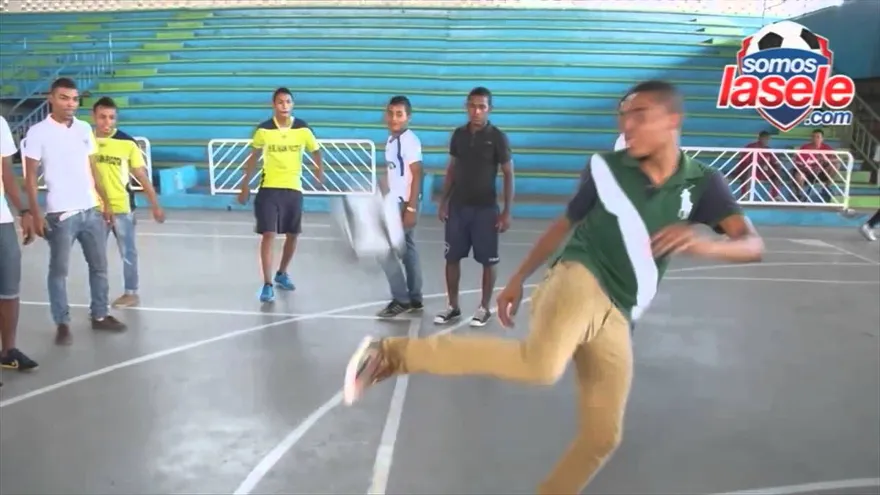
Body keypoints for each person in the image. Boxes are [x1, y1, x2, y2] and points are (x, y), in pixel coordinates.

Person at [342, 80, 765, 495]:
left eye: (640, 115)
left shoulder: (703, 183)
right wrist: (518, 277)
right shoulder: (607, 167)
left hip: (619, 309)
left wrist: (707, 245)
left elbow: (751, 244)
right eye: (624, 116)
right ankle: (392, 355)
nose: (628, 125)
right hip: (579, 277)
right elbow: (565, 225)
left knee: (603, 436)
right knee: (541, 366)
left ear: (673, 120)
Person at [23, 77, 127, 345]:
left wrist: (104, 202)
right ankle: (62, 322)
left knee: (100, 267)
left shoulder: (83, 129)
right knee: (59, 271)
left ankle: (100, 314)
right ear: (51, 98)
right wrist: (35, 214)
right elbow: (31, 177)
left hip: (91, 209)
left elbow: (93, 168)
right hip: (60, 214)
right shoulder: (37, 132)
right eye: (64, 98)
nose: (70, 104)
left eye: (74, 99)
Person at [435, 86, 514, 327]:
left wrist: (506, 211)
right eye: (472, 106)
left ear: (489, 109)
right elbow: (452, 169)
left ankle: (483, 307)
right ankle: (453, 306)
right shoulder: (458, 135)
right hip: (458, 208)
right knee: (452, 258)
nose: (476, 111)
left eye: (481, 107)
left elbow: (509, 174)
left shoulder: (497, 137)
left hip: (485, 209)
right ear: (466, 106)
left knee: (488, 261)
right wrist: (444, 201)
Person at [237, 87, 323, 303]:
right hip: (268, 189)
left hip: (293, 189)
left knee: (293, 235)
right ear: (273, 105)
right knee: (268, 233)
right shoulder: (264, 130)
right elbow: (253, 157)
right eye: (280, 102)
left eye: (288, 102)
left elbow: (316, 150)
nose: (284, 106)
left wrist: (318, 171)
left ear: (292, 105)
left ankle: (281, 272)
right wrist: (244, 185)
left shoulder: (303, 129)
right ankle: (267, 284)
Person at [91, 96, 166, 308]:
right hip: (94, 208)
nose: (107, 122)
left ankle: (131, 292)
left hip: (122, 207)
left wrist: (155, 205)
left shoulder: (126, 142)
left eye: (111, 118)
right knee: (96, 256)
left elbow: (141, 176)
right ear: (94, 117)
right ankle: (99, 297)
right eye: (102, 117)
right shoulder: (86, 140)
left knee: (128, 252)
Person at [376, 95, 424, 318]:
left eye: (399, 114)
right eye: (391, 113)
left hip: (405, 203)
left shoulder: (409, 141)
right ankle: (415, 296)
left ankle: (401, 299)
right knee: (408, 250)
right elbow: (393, 171)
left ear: (408, 117)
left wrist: (411, 208)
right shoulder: (391, 140)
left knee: (384, 249)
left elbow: (417, 173)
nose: (394, 118)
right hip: (395, 201)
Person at [0, 115, 38, 381]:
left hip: (1, 220)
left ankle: (8, 352)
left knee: (9, 289)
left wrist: (23, 210)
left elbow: (7, 174)